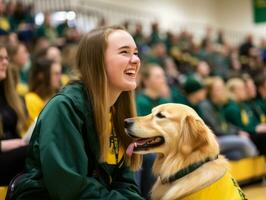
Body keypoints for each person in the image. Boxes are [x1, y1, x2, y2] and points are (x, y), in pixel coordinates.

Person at [10, 26, 144, 199]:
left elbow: (126, 183)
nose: (135, 60)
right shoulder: (65, 107)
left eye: (136, 52)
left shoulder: (119, 111)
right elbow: (69, 188)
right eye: (125, 52)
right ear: (97, 61)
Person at [199, 76, 257, 160]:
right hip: (213, 141)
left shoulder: (218, 105)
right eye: (218, 89)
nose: (222, 92)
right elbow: (216, 129)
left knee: (236, 155)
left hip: (220, 139)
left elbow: (226, 125)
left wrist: (238, 131)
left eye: (222, 88)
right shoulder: (205, 106)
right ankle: (255, 157)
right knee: (244, 142)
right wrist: (237, 133)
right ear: (210, 92)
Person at [0, 43, 28, 186]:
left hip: (14, 152)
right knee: (35, 151)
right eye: (0, 58)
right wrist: (15, 143)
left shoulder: (7, 94)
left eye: (6, 58)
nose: (5, 62)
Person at [24, 58, 62, 126]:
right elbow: (37, 128)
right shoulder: (31, 98)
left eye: (60, 73)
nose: (60, 77)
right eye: (56, 74)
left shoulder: (57, 96)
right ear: (41, 76)